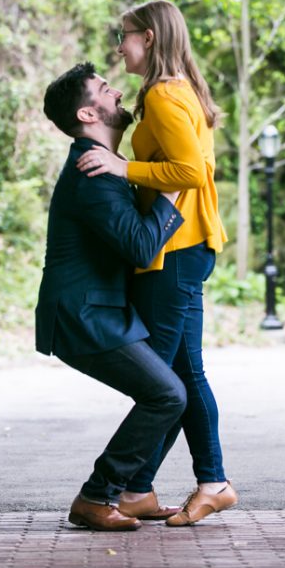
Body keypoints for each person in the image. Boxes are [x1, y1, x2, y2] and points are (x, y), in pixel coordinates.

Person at [76, 0, 236, 526]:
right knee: (182, 373)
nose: (119, 46)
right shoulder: (176, 90)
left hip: (177, 251)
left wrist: (124, 167)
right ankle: (183, 485)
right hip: (189, 247)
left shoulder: (165, 95)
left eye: (124, 36)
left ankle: (149, 484)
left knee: (164, 384)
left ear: (149, 36)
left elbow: (189, 171)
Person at [37, 62, 189, 532]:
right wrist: (175, 181)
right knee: (167, 395)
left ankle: (132, 495)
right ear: (88, 113)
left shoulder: (107, 168)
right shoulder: (93, 174)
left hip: (100, 311)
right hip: (84, 315)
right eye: (106, 89)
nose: (118, 90)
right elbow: (143, 246)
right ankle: (97, 497)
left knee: (172, 390)